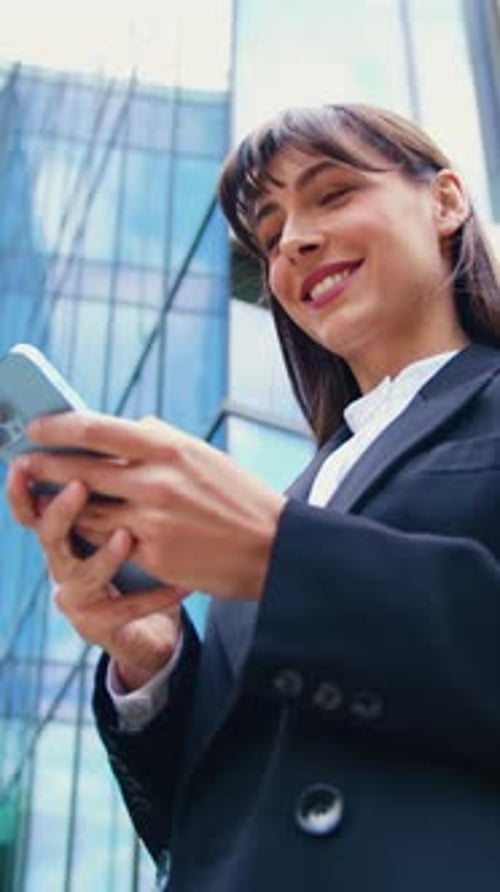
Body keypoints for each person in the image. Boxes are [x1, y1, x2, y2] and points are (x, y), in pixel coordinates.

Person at [6, 103, 500, 892]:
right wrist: (152, 659)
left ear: (444, 201)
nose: (295, 242)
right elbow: (209, 819)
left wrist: (281, 557)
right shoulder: (296, 494)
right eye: (270, 236)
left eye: (332, 194)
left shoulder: (269, 528)